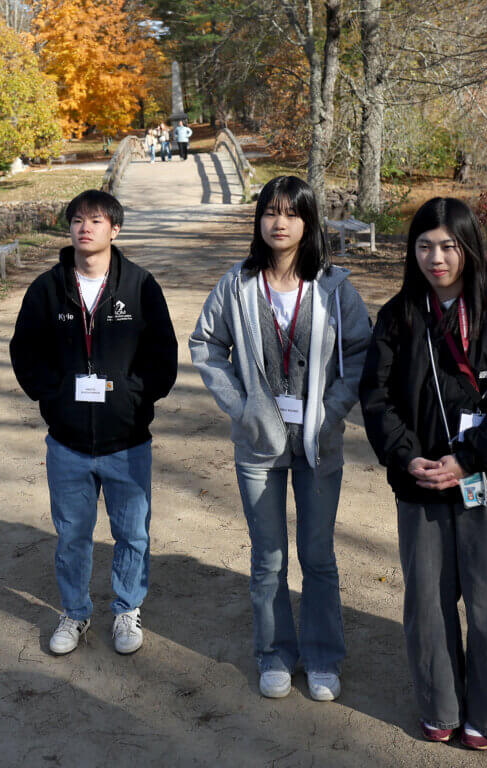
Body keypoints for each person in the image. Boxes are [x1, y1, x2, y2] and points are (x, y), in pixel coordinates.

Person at [358, 197, 487, 750]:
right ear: (410, 251)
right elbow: (377, 397)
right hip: (420, 481)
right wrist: (404, 455)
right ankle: (439, 704)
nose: (435, 258)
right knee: (427, 602)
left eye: (447, 246)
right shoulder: (398, 314)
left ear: (468, 247)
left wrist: (467, 458)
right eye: (423, 246)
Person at [189, 176, 371, 701]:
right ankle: (274, 653)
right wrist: (242, 407)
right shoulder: (238, 285)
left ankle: (322, 658)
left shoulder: (334, 288)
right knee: (268, 556)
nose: (279, 222)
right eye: (270, 212)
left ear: (309, 223)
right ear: (259, 220)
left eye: (292, 213)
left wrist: (332, 412)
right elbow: (205, 345)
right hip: (258, 445)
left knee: (318, 556)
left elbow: (358, 354)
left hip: (319, 443)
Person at [10, 189, 177, 656]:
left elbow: (163, 356)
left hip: (127, 439)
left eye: (97, 220)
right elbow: (25, 352)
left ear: (115, 229)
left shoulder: (140, 286)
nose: (86, 228)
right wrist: (56, 397)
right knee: (73, 534)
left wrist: (132, 398)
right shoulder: (47, 288)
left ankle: (127, 609)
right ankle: (75, 612)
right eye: (78, 220)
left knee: (133, 533)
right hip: (67, 441)